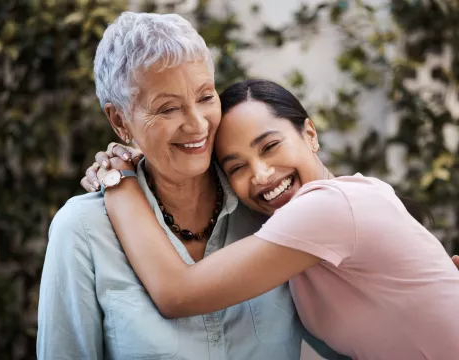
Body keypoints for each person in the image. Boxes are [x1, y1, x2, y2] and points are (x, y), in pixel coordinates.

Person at [38, 12, 345, 360]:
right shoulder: (82, 231)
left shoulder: (267, 204)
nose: (197, 125)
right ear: (120, 121)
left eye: (204, 97)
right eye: (168, 108)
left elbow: (353, 339)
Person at [87, 79, 459, 360]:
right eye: (237, 167)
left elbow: (177, 294)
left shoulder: (330, 207)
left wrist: (118, 180)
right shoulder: (288, 242)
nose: (262, 174)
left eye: (270, 146)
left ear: (309, 134)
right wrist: (146, 158)